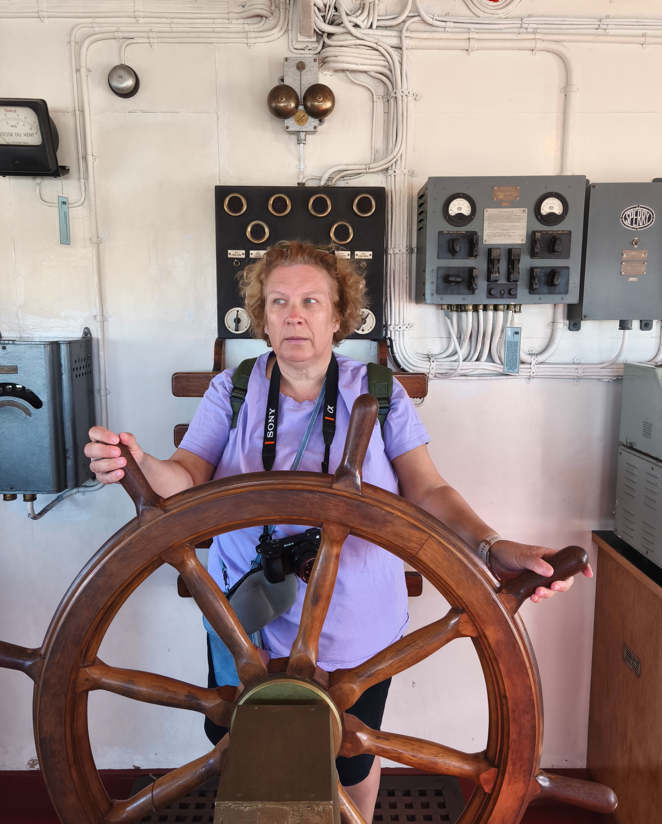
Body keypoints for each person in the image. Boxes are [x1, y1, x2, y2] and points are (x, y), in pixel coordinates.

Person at [85, 240, 592, 821]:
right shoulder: (234, 390)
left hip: (355, 623)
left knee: (352, 758)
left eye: (310, 301)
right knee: (246, 750)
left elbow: (428, 490)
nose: (293, 315)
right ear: (263, 317)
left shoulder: (379, 391)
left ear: (338, 316)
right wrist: (139, 463)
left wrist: (490, 546)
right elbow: (184, 479)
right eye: (278, 302)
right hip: (244, 619)